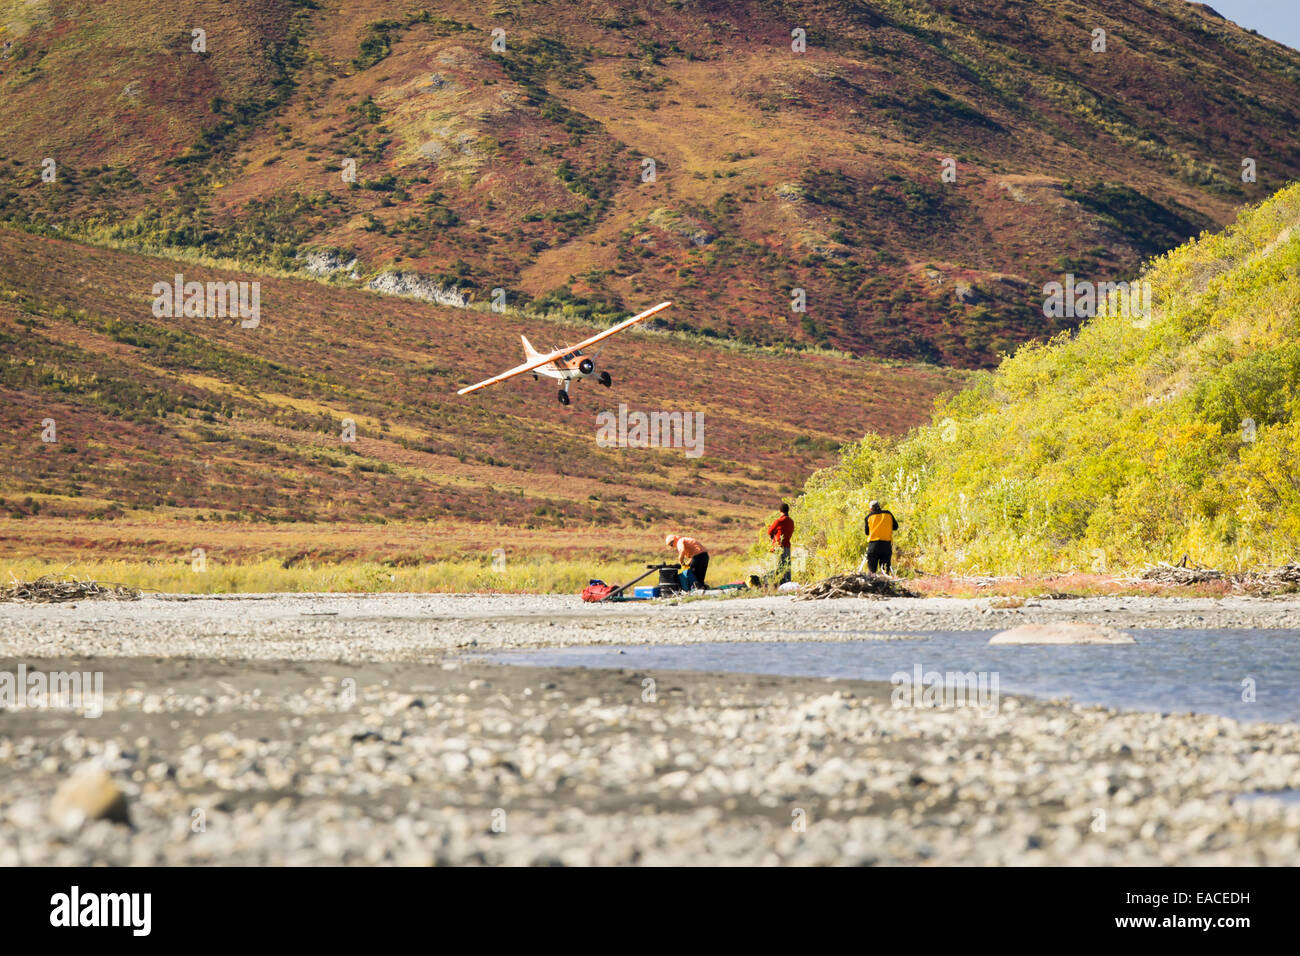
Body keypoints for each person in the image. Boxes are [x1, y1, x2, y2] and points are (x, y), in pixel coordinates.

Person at [863, 500, 898, 574]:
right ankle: (886, 583)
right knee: (885, 570)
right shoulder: (888, 514)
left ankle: (872, 583)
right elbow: (895, 527)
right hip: (886, 545)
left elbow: (867, 532)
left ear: (871, 509)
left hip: (873, 546)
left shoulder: (868, 517)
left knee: (872, 571)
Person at [766, 503, 794, 585]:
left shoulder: (779, 521)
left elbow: (769, 532)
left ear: (780, 511)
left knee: (778, 567)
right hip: (787, 546)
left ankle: (778, 585)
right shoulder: (791, 521)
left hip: (779, 547)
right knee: (787, 567)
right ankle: (788, 584)